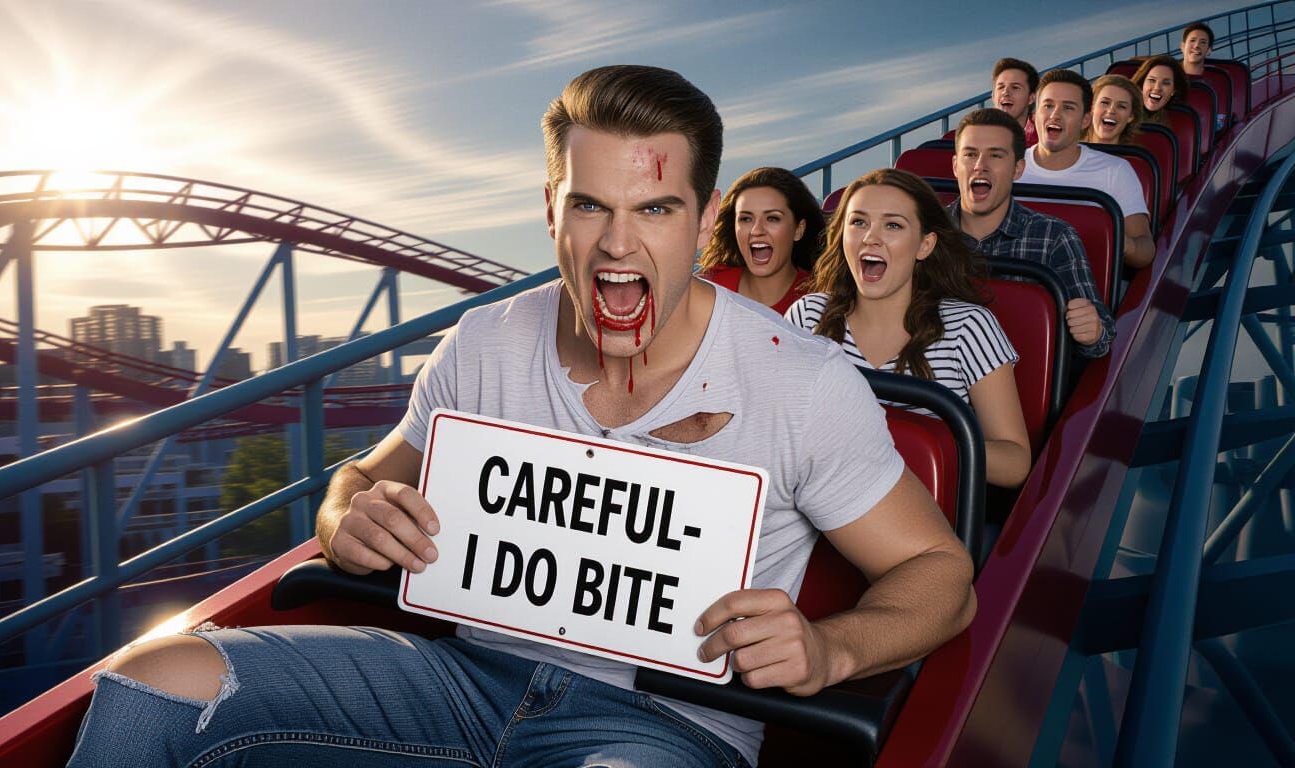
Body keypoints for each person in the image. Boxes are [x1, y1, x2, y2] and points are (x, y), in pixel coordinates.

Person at [66, 65, 976, 768]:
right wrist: (348, 515)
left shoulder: (802, 381)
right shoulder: (483, 341)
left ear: (702, 222)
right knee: (148, 681)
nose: (619, 243)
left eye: (654, 209)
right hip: (460, 679)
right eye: (590, 207)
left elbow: (940, 574)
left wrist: (829, 648)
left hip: (663, 722)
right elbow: (361, 482)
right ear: (552, 213)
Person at [785, 168, 1031, 489]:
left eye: (893, 225)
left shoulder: (969, 328)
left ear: (925, 246)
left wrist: (912, 446)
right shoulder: (807, 317)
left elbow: (1015, 463)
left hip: (925, 517)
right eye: (858, 222)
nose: (871, 237)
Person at [950, 108, 1115, 358]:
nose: (980, 166)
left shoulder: (1055, 237)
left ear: (1018, 169)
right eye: (970, 154)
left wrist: (1093, 331)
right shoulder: (923, 232)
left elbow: (1100, 339)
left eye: (995, 156)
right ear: (955, 165)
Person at [1019, 69, 1156, 269]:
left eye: (1068, 108)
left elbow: (1145, 249)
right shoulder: (1007, 166)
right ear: (1034, 114)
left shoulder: (1116, 170)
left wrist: (1116, 238)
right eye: (1048, 106)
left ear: (1085, 120)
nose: (1055, 115)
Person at [697, 166, 825, 315]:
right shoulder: (708, 288)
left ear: (799, 229)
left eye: (772, 218)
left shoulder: (821, 300)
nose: (757, 230)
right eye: (746, 219)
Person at [992, 57, 1040, 149]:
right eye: (1001, 87)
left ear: (1031, 98)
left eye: (1015, 87)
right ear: (993, 96)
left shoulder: (1045, 141)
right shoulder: (966, 138)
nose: (1005, 93)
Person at [1082, 75, 1144, 146]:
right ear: (1092, 107)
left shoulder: (1136, 156)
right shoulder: (1068, 151)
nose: (1111, 110)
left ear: (1131, 116)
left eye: (1121, 106)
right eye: (1105, 102)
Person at [1130, 54, 1189, 124]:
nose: (1157, 88)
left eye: (1165, 83)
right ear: (1142, 84)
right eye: (1152, 80)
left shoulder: (1178, 121)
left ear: (1174, 90)